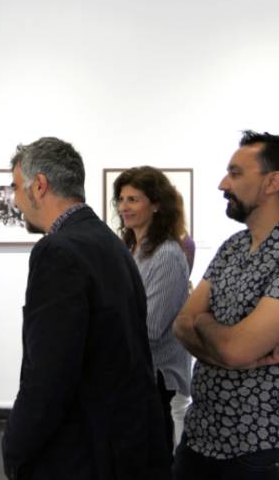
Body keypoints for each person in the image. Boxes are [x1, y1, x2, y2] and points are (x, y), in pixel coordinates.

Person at [172, 131, 279, 479]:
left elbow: (235, 349)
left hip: (262, 449)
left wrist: (204, 324)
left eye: (235, 173)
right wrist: (219, 342)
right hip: (200, 438)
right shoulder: (233, 246)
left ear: (272, 182)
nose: (223, 184)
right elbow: (182, 323)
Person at [1, 137, 171, 480]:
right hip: (122, 443)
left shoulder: (58, 251)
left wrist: (15, 447)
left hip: (81, 450)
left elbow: (49, 373)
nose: (16, 200)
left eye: (17, 188)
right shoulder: (108, 241)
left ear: (39, 185)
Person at [113, 166, 191, 456]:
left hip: (157, 376)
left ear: (156, 204)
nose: (124, 207)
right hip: (132, 371)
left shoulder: (167, 255)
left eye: (133, 199)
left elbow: (151, 329)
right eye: (121, 199)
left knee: (153, 459)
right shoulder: (130, 249)